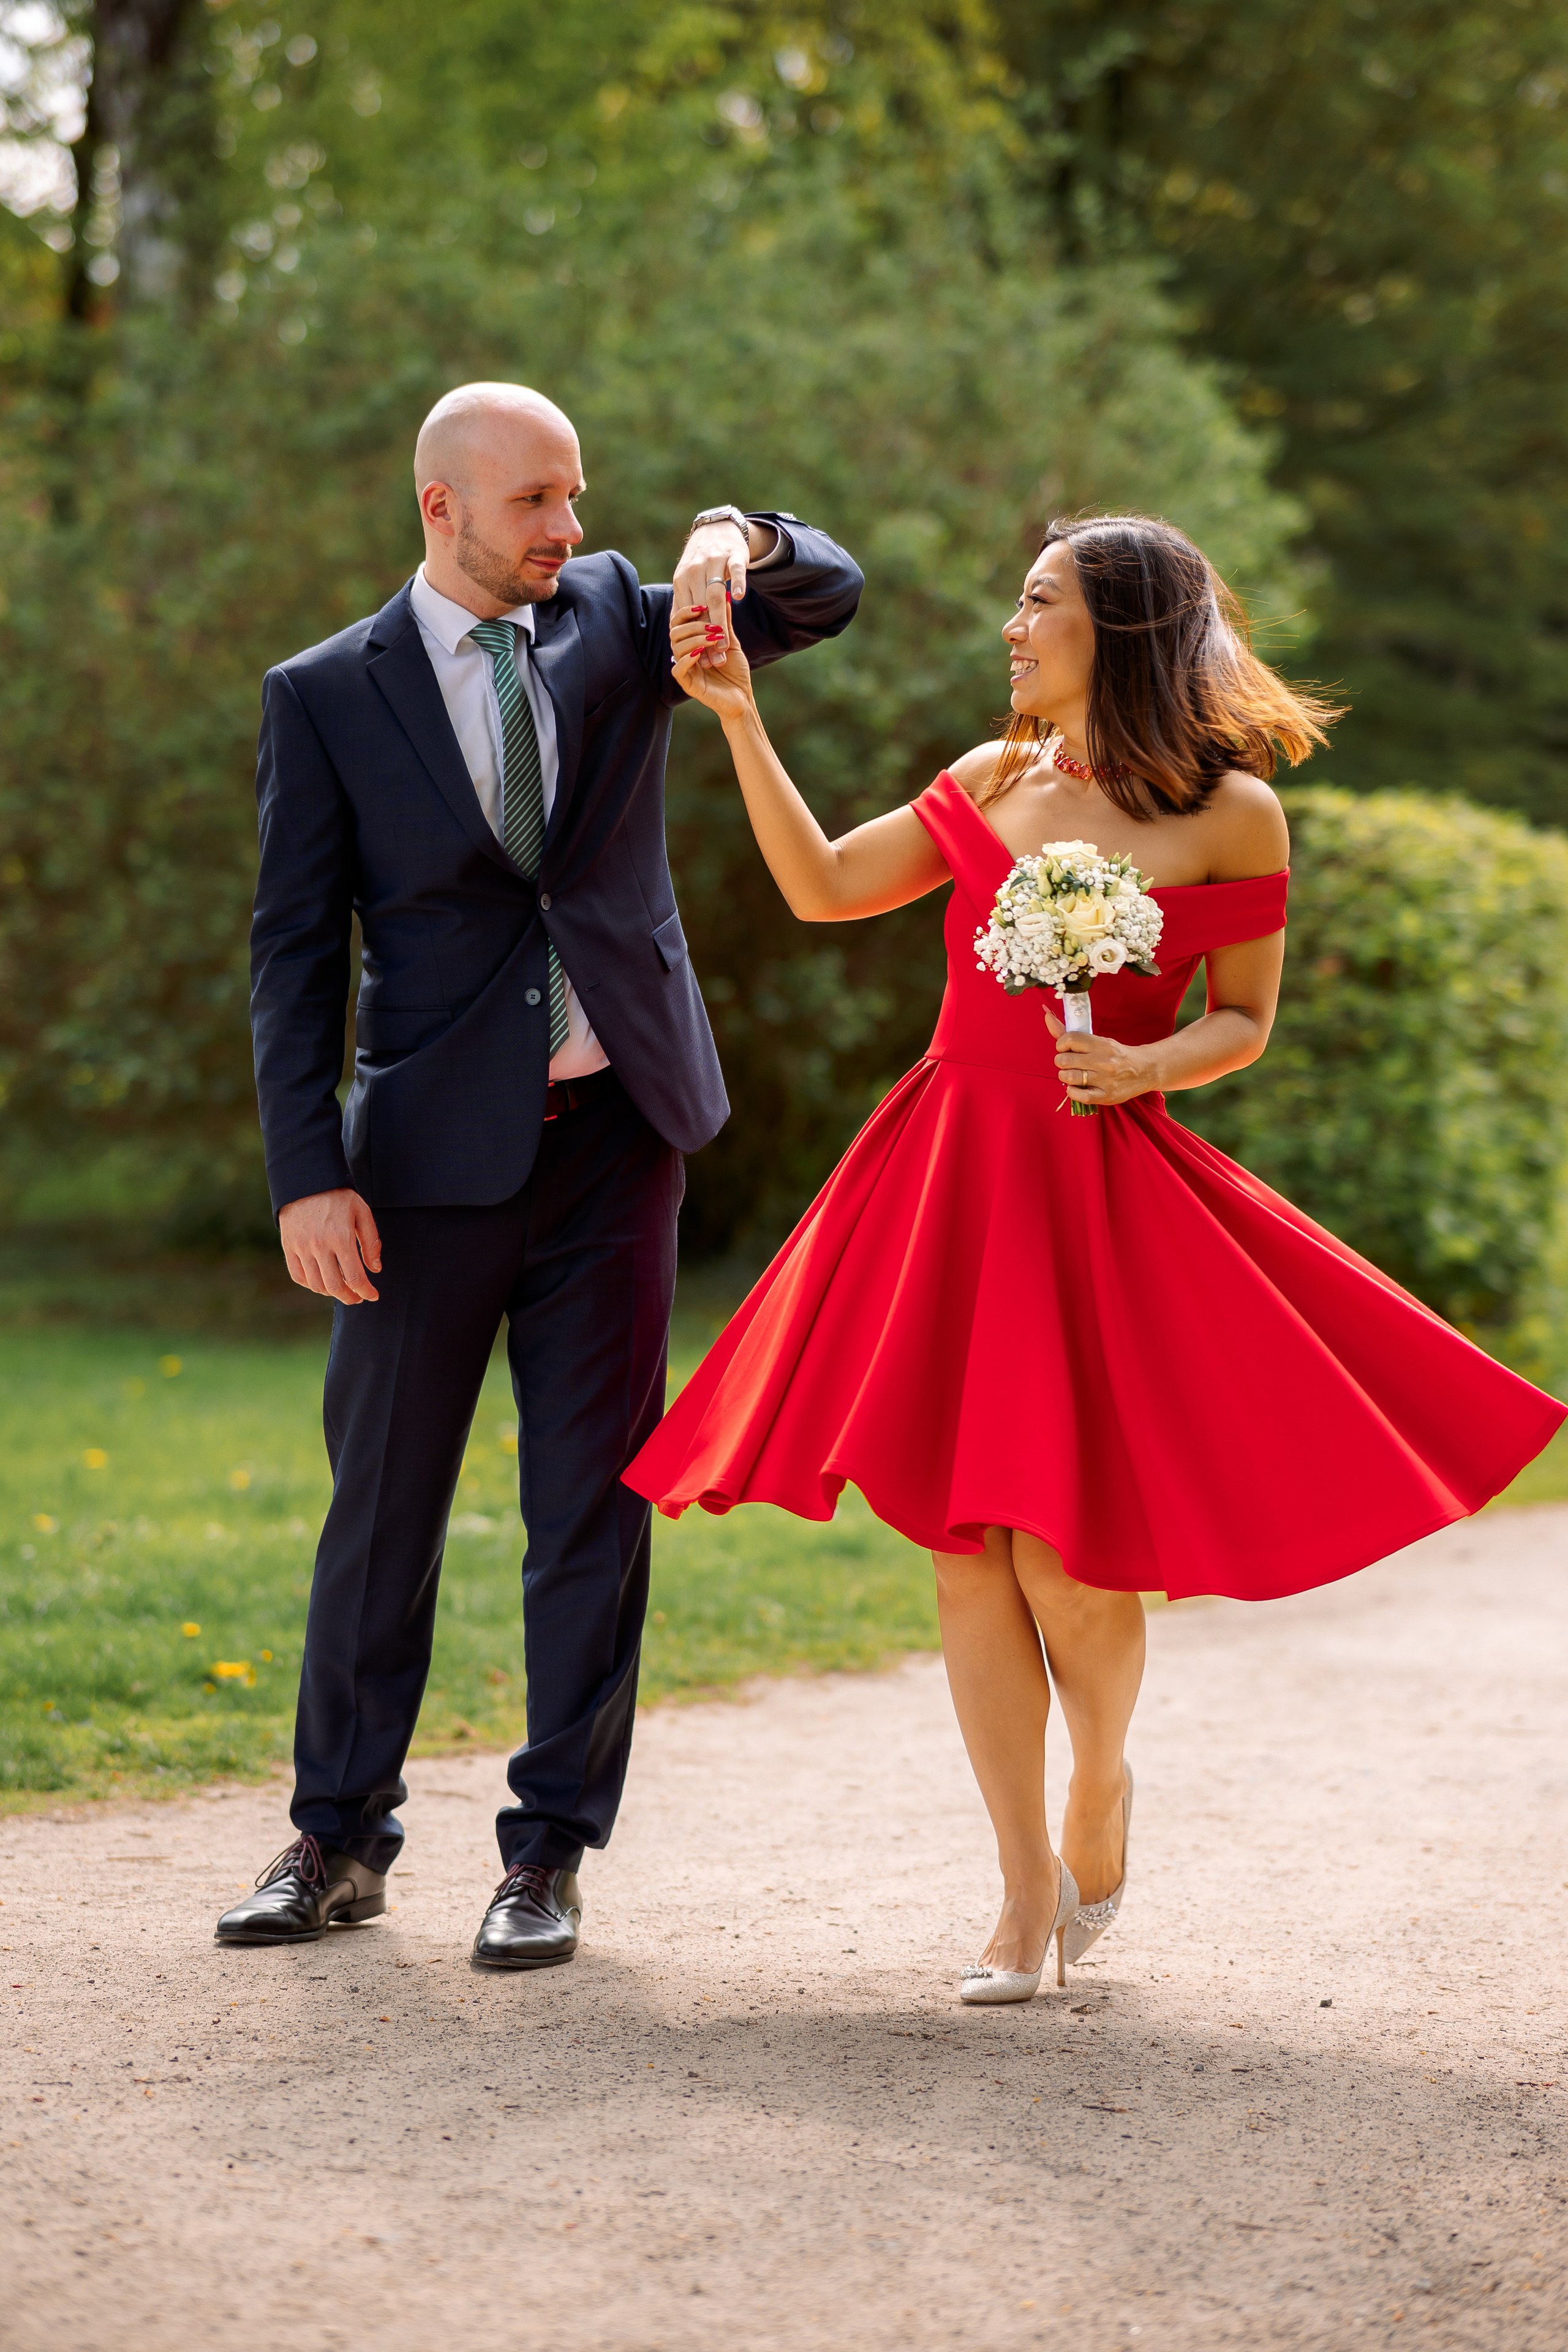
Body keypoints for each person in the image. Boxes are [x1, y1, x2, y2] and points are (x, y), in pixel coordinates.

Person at [624, 512, 1566, 2004]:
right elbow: (819, 889)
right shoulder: (989, 777)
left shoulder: (1233, 812)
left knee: (1063, 1565)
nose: (1010, 627)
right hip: (950, 1171)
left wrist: (1147, 1069)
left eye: (1036, 602)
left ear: (1115, 629)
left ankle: (1099, 1789)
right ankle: (1015, 1900)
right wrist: (737, 717)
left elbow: (1240, 1018)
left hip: (1096, 1193)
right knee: (961, 1552)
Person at [217, 382, 862, 1966]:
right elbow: (294, 955)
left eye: (579, 499)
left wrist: (737, 535)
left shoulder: (625, 623)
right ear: (441, 507)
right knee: (382, 1511)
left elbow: (827, 586)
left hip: (619, 1143)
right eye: (537, 505)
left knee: (593, 1505)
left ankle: (551, 1850)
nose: (570, 530)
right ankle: (337, 1838)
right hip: (424, 1169)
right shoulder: (325, 696)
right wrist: (309, 1172)